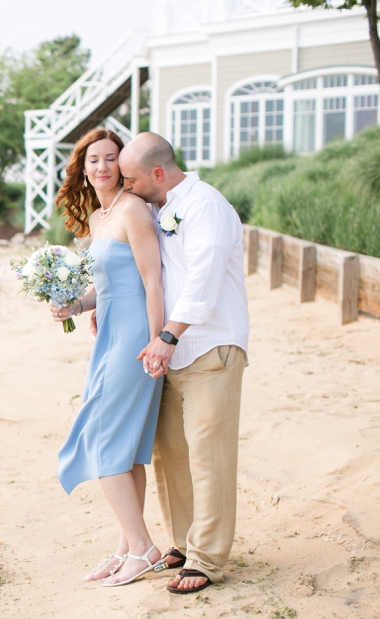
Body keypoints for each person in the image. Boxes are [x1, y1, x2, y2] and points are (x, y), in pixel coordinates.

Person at [118, 132, 249, 594]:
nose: (126, 186)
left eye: (130, 179)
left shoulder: (205, 205)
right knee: (169, 452)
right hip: (170, 352)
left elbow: (203, 280)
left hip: (210, 347)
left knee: (208, 455)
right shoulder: (158, 205)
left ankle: (208, 558)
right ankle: (183, 541)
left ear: (157, 173)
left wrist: (168, 336)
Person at [50, 128, 167, 587]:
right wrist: (76, 306)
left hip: (135, 332)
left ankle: (144, 549)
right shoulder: (100, 218)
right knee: (127, 447)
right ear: (82, 167)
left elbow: (151, 281)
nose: (101, 166)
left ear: (123, 164)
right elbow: (107, 285)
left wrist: (158, 339)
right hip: (110, 329)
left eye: (110, 158)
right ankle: (126, 547)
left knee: (102, 439)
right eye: (92, 159)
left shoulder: (134, 209)